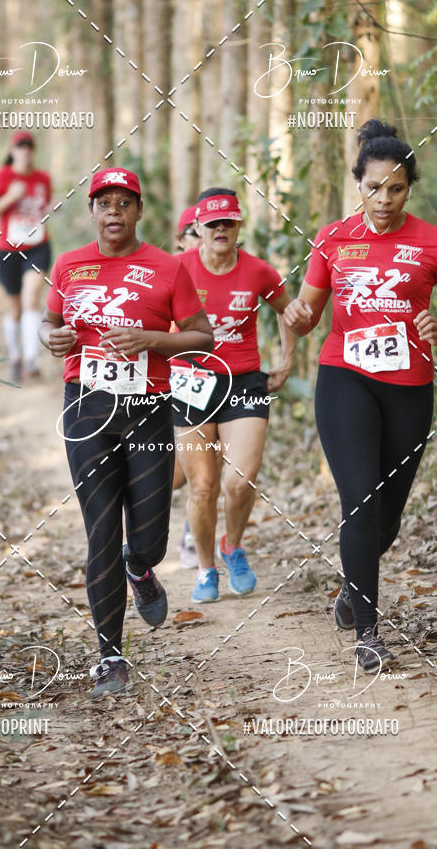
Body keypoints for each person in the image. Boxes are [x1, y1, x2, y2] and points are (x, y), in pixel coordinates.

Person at [284, 119, 437, 673]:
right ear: (357, 183)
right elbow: (310, 312)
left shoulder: (433, 241)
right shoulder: (334, 238)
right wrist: (297, 315)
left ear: (409, 186)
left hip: (409, 387)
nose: (383, 199)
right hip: (346, 378)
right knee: (360, 499)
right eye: (372, 187)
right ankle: (368, 630)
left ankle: (351, 584)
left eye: (395, 188)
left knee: (384, 517)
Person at [38, 167, 213, 698]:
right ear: (92, 212)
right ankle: (111, 657)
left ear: (139, 212)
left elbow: (202, 334)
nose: (113, 211)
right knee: (100, 534)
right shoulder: (68, 265)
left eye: (124, 203)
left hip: (149, 409)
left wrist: (151, 339)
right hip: (86, 407)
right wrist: (53, 337)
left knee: (148, 539)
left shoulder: (169, 268)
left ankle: (141, 569)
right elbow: (48, 323)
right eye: (103, 202)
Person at [172, 188, 296, 603]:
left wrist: (288, 360)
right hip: (190, 380)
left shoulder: (259, 271)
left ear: (238, 226)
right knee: (202, 487)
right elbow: (150, 317)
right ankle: (206, 569)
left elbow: (287, 310)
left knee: (239, 480)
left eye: (228, 222)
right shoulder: (176, 268)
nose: (221, 229)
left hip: (243, 380)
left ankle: (233, 546)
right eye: (212, 224)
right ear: (197, 229)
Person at [0, 131, 52, 381]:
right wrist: (11, 196)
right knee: (15, 308)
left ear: (33, 151)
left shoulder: (43, 178)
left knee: (31, 298)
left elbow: (44, 207)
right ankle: (16, 356)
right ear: (13, 151)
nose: (25, 151)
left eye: (29, 147)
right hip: (8, 249)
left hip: (37, 246)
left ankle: (31, 360)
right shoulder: (3, 176)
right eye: (20, 147)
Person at [173, 205, 204, 568]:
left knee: (207, 467)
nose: (202, 239)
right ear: (182, 239)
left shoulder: (231, 268)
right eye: (194, 232)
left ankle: (191, 535)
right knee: (177, 477)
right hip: (169, 381)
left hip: (217, 380)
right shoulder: (165, 271)